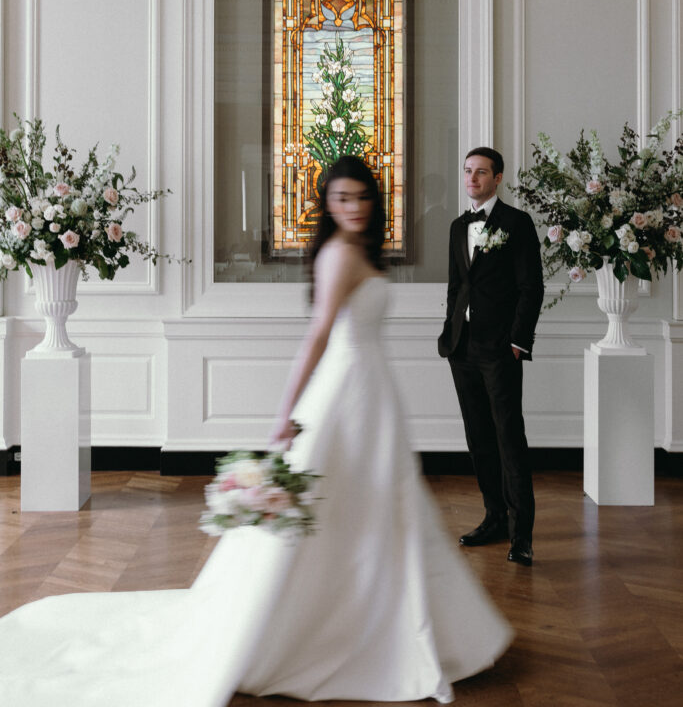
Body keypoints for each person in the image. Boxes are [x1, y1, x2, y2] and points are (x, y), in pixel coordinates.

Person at [0, 155, 511, 706]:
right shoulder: (339, 255)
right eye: (341, 199)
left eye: (361, 197)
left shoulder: (359, 251)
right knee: (342, 506)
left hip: (371, 392)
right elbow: (317, 338)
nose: (353, 208)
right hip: (345, 394)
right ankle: (324, 630)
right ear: (327, 204)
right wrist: (285, 413)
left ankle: (375, 621)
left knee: (375, 507)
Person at [438, 147, 544, 567]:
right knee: (478, 438)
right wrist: (449, 331)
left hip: (500, 349)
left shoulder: (517, 223)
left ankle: (523, 536)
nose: (472, 178)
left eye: (481, 172)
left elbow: (530, 287)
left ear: (498, 177)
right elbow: (455, 286)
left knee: (508, 438)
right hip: (461, 348)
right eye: (467, 171)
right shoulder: (456, 226)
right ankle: (494, 518)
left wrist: (519, 341)